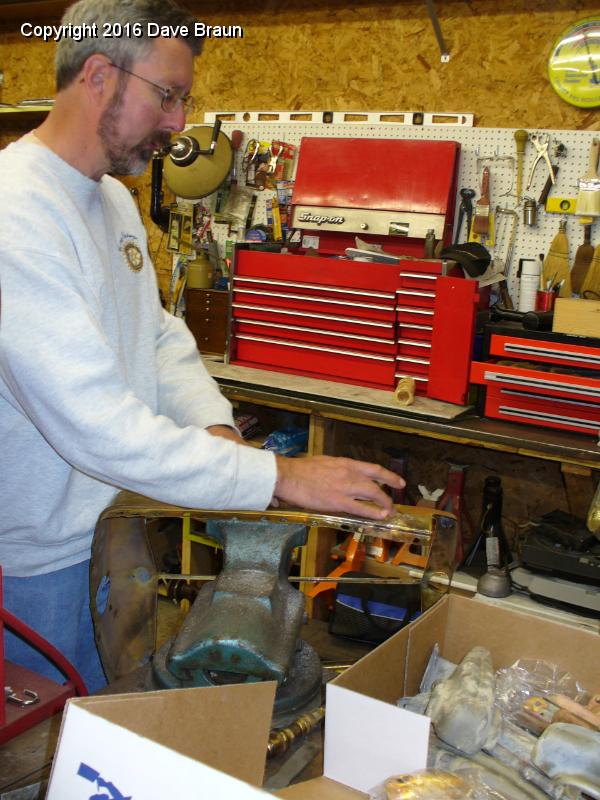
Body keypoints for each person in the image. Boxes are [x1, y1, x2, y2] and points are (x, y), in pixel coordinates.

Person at [0, 0, 404, 693]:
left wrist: (216, 430)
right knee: (37, 758)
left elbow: (155, 338)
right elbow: (95, 424)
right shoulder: (15, 213)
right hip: (34, 566)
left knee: (107, 724)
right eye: (168, 95)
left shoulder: (112, 201)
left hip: (113, 531)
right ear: (98, 75)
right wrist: (280, 478)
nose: (179, 123)